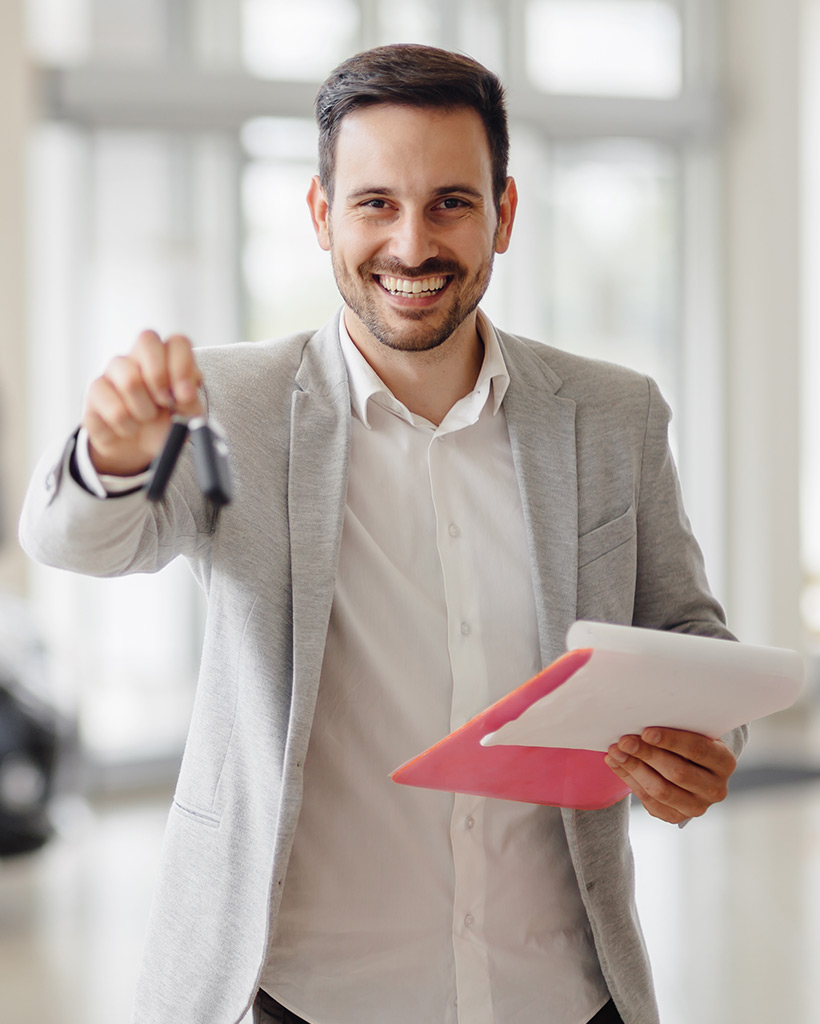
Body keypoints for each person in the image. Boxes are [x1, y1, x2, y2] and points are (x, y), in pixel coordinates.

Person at [20, 43, 744, 1024]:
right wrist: (109, 453)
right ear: (321, 216)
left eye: (450, 200)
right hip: (302, 992)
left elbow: (686, 632)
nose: (412, 243)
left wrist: (708, 738)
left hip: (558, 991)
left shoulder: (612, 413)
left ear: (505, 212)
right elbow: (77, 543)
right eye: (375, 203)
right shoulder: (229, 405)